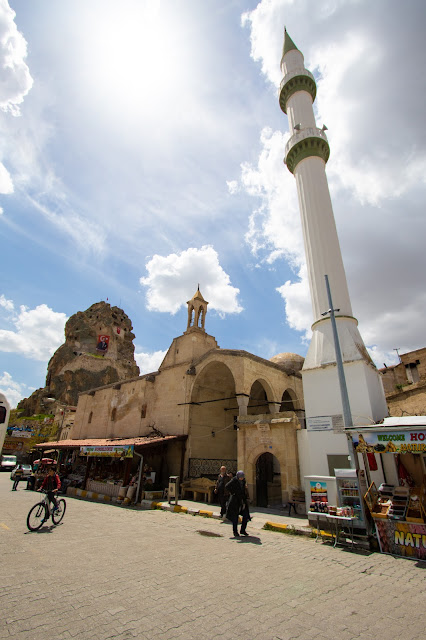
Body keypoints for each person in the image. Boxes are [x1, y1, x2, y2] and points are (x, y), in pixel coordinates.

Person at [225, 470, 251, 537]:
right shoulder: (234, 480)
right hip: (235, 501)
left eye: (242, 477)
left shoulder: (243, 481)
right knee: (235, 517)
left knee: (245, 516)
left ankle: (243, 530)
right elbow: (227, 486)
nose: (241, 478)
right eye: (240, 477)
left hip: (242, 500)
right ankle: (235, 531)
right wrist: (233, 493)